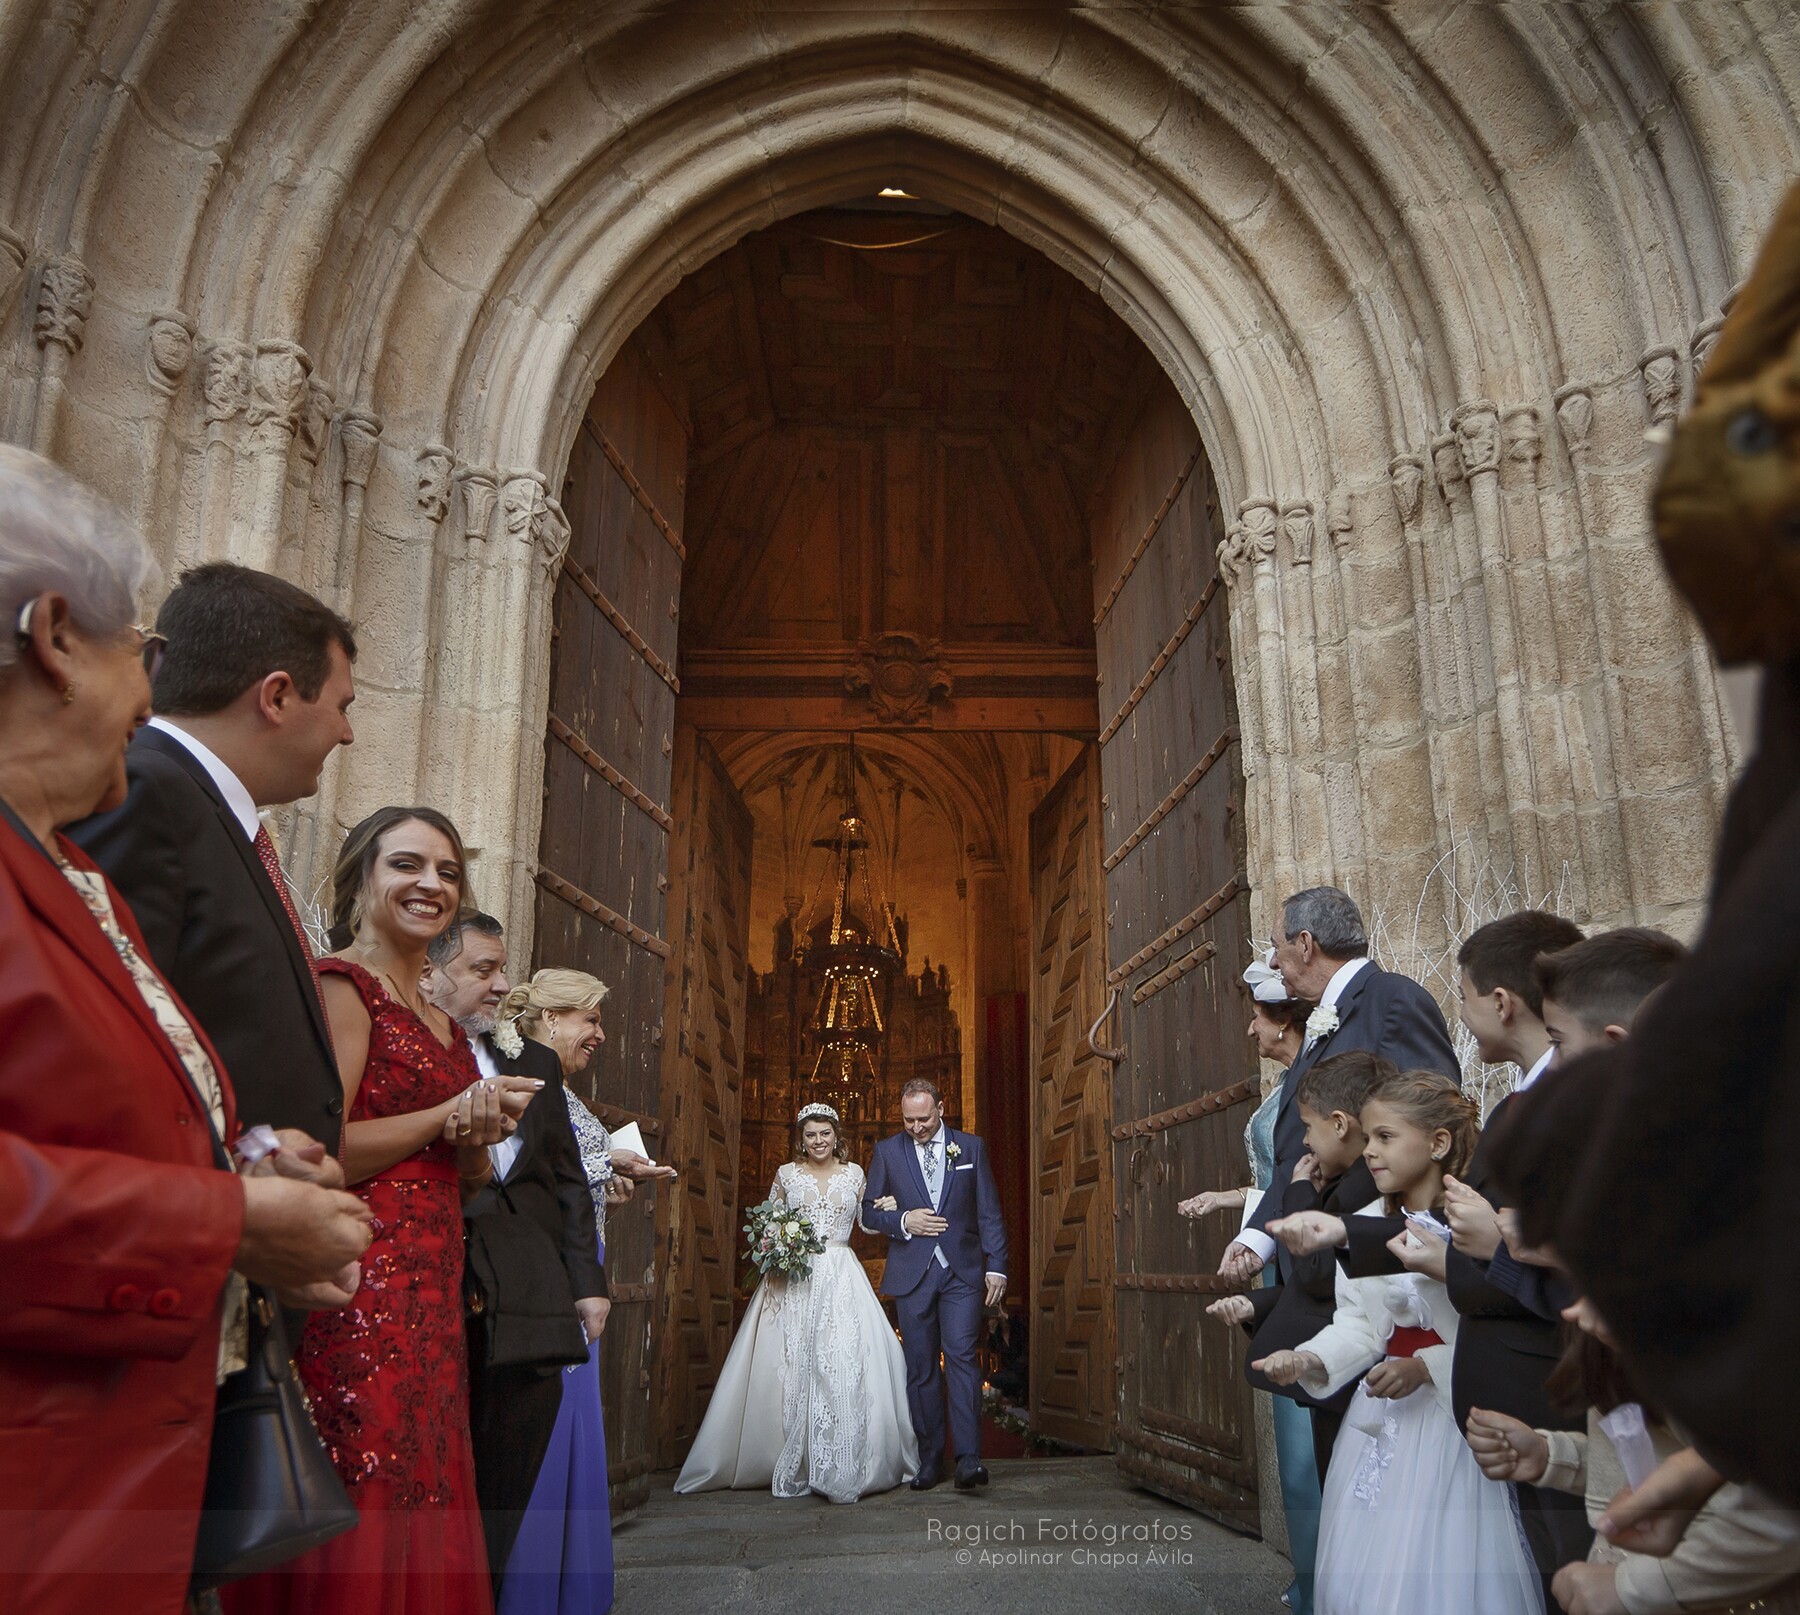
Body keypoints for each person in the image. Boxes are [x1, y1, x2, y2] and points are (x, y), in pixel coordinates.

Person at [0, 446, 370, 1615]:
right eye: (133, 655)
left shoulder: (59, 865)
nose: (153, 696)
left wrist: (243, 1158)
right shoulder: (129, 812)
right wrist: (225, 1218)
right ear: (56, 640)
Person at [225, 807, 539, 1615]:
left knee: (426, 1472)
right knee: (367, 1461)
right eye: (407, 864)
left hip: (433, 1282)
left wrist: (475, 1136)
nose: (430, 884)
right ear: (363, 876)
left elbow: (456, 1178)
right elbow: (325, 1143)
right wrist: (446, 1114)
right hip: (361, 1281)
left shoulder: (439, 1018)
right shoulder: (343, 988)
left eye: (446, 871)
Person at [69, 562, 356, 1155]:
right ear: (276, 696)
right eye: (342, 705)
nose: (347, 734)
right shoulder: (144, 792)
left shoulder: (199, 806)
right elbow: (97, 1051)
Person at [1254, 1070, 1541, 1615]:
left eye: (1386, 1137)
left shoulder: (1475, 1225)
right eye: (1368, 1138)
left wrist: (1427, 1367)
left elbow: (1499, 1324)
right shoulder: (1360, 1224)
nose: (1370, 1152)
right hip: (1382, 1424)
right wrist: (1310, 1357)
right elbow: (1360, 1325)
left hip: (1454, 1426)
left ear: (1438, 1143)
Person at [421, 929, 613, 1612]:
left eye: (504, 970)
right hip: (437, 1274)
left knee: (511, 1458)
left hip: (529, 1289)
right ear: (429, 971)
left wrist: (587, 1283)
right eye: (486, 969)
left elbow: (563, 1173)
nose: (504, 985)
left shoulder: (533, 1059)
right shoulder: (409, 1046)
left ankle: (492, 1590)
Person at [1468, 1304, 1800, 1613]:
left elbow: (1777, 1513)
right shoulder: (1625, 1343)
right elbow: (1652, 1466)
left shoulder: (1723, 1364)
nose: (1578, 1311)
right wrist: (1552, 1456)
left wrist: (1633, 1587)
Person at [677, 1102, 919, 1502]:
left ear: (836, 1137)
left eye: (825, 1133)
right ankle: (786, 1454)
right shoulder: (787, 1175)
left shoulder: (855, 1174)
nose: (818, 1141)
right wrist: (777, 1244)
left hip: (842, 1272)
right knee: (792, 1360)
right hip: (795, 1277)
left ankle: (846, 1457)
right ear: (801, 1140)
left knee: (845, 1359)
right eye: (810, 1135)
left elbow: (865, 1221)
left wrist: (887, 1209)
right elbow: (769, 1223)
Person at [1224, 887, 1459, 1289]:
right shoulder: (1321, 1017)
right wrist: (1259, 1236)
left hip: (1367, 1254)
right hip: (1318, 1253)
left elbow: (1434, 1116)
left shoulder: (1393, 1000)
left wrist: (1353, 1224)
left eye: (1276, 947)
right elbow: (1295, 1150)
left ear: (1305, 944)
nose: (1274, 961)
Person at [1186, 951, 1319, 1615]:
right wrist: (1225, 1200)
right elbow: (1275, 1179)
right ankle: (1310, 1571)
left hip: (1301, 1260)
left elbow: (1298, 1177)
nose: (1248, 1031)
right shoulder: (1286, 1087)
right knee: (1291, 1421)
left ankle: (1322, 1579)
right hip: (1275, 1255)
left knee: (1303, 1432)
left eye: (1256, 1017)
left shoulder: (1309, 1085)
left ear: (1284, 1022)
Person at [860, 1078, 1008, 1492]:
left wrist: (997, 1266)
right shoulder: (888, 1151)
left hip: (963, 1272)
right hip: (912, 1275)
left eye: (924, 1118)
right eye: (908, 1120)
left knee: (961, 1356)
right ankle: (929, 1460)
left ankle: (968, 1459)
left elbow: (989, 1211)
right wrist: (905, 1221)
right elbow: (869, 1212)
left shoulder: (970, 1148)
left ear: (941, 1108)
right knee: (920, 1367)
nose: (916, 1127)